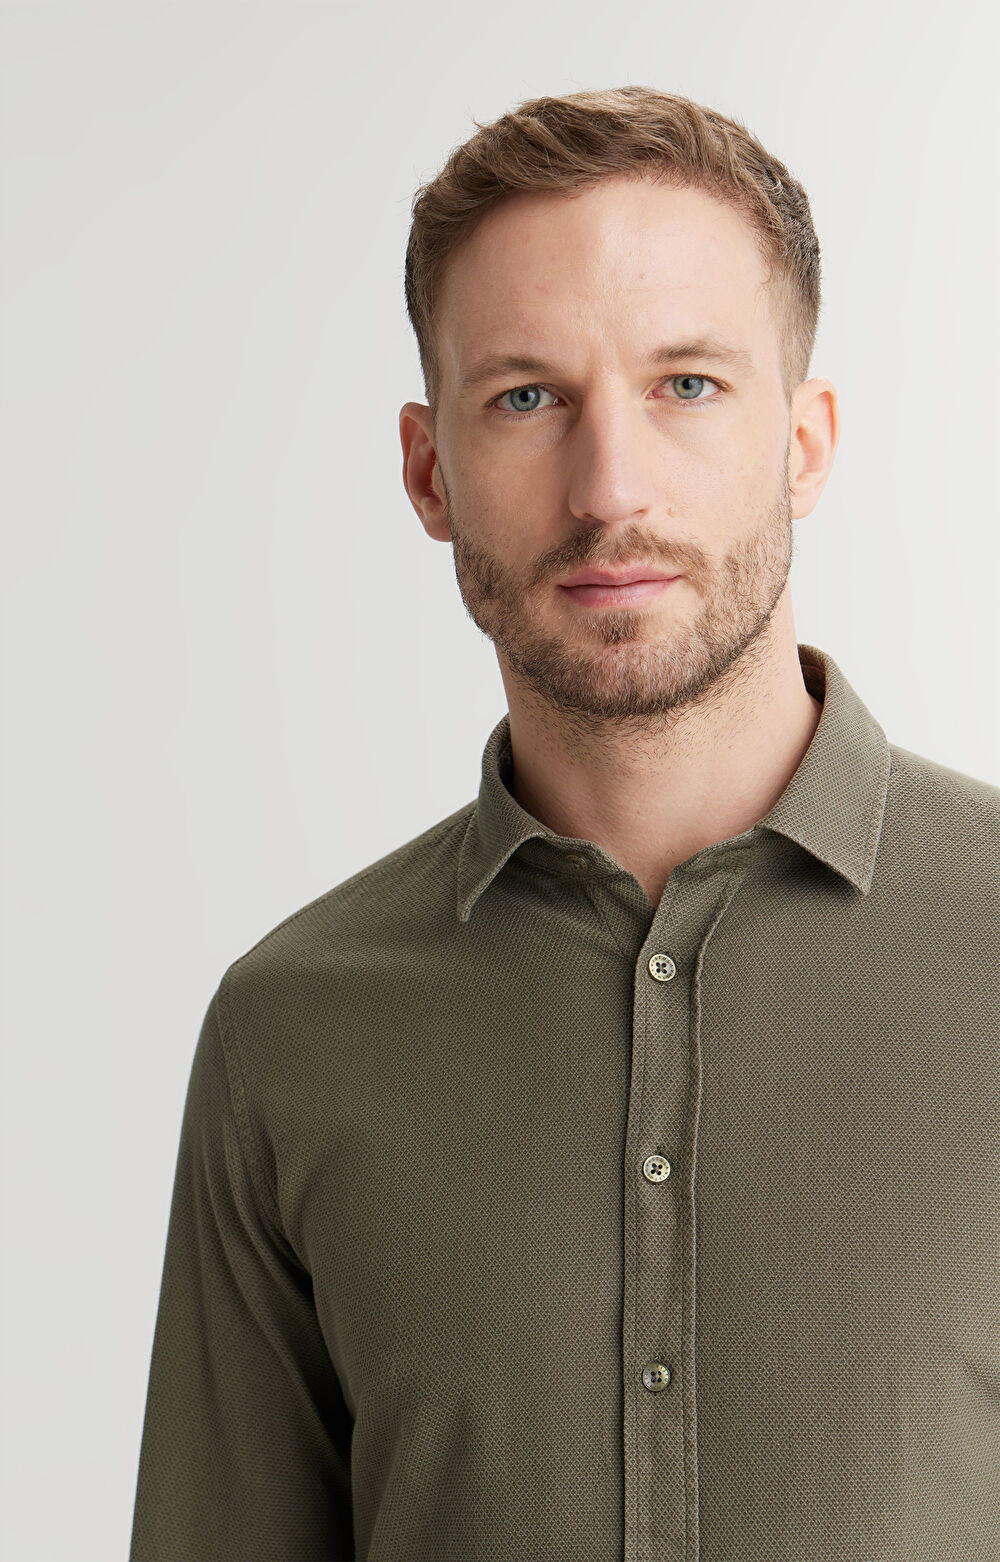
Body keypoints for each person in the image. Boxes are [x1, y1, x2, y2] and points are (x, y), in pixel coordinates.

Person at [128, 86, 1000, 1562]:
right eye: (527, 398)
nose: (611, 488)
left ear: (804, 443)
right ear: (429, 471)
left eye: (687, 385)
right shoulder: (287, 1032)